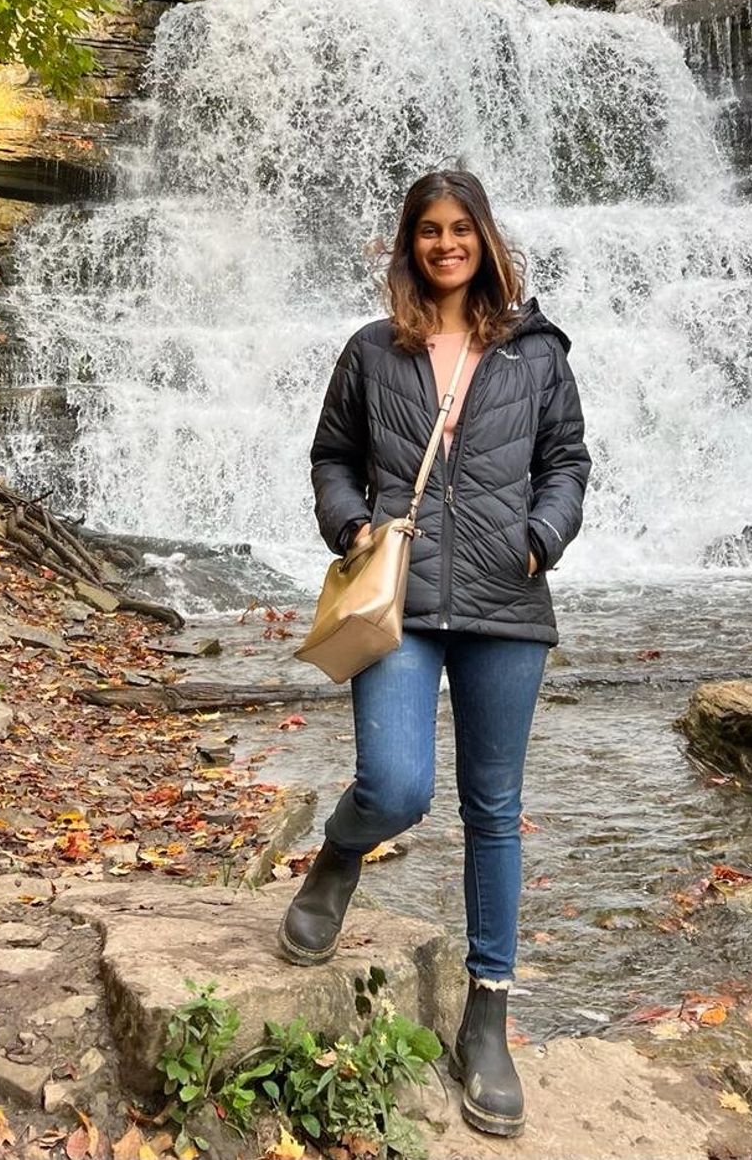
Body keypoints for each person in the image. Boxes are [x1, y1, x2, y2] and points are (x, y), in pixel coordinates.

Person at [279, 169, 590, 1138]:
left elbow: (567, 461)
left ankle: (486, 1016)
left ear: (483, 239)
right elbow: (331, 457)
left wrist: (541, 534)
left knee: (493, 811)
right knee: (397, 783)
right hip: (401, 600)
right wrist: (350, 523)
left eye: (461, 228)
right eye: (428, 231)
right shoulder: (373, 353)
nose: (445, 244)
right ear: (408, 244)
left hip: (506, 601)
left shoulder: (534, 354)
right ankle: (338, 854)